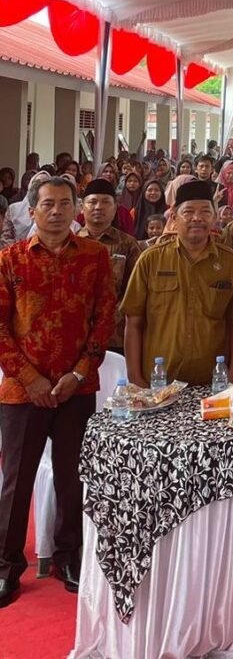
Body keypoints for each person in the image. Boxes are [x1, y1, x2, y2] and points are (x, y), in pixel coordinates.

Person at [0, 176, 116, 608]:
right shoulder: (9, 260)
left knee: (74, 478)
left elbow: (104, 318)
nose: (56, 211)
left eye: (65, 204)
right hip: (21, 390)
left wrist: (79, 372)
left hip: (76, 387)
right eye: (47, 204)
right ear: (31, 211)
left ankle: (71, 556)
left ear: (76, 210)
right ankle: (7, 565)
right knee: (16, 482)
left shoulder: (95, 256)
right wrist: (31, 379)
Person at [121, 180, 233, 386]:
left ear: (215, 217)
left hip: (212, 382)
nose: (197, 218)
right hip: (158, 382)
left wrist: (232, 375)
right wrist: (135, 378)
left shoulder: (228, 261)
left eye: (205, 212)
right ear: (173, 217)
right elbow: (133, 320)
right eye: (188, 212)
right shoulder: (151, 259)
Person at [77, 179, 143, 353]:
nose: (98, 207)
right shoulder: (71, 243)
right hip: (78, 333)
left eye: (106, 202)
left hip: (117, 335)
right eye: (92, 202)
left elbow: (137, 289)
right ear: (82, 208)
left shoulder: (127, 244)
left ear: (115, 209)